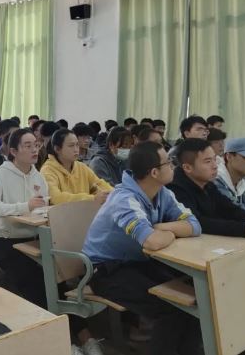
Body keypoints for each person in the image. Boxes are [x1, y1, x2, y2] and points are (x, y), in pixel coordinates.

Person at [83, 141, 203, 355]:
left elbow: (194, 225)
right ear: (154, 172)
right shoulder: (124, 199)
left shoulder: (162, 193)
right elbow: (152, 242)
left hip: (137, 263)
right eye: (168, 162)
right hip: (105, 269)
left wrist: (161, 228)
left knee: (192, 299)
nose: (173, 166)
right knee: (169, 308)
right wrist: (169, 232)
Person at [0, 128, 48, 308]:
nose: (34, 150)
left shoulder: (38, 176)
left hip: (31, 237)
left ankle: (65, 319)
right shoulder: (0, 175)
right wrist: (24, 206)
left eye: (36, 145)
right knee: (30, 276)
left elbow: (43, 207)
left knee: (55, 271)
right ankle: (41, 317)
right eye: (27, 146)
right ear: (13, 151)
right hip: (2, 239)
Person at [167, 139, 245, 239]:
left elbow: (228, 207)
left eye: (215, 159)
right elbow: (198, 222)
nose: (215, 166)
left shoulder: (207, 183)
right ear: (187, 167)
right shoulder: (175, 188)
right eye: (208, 161)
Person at [41, 128, 113, 205]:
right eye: (71, 146)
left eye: (77, 145)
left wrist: (112, 193)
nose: (76, 150)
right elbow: (55, 198)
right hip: (61, 212)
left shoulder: (81, 167)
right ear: (57, 149)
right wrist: (92, 198)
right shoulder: (48, 170)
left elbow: (99, 184)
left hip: (83, 210)